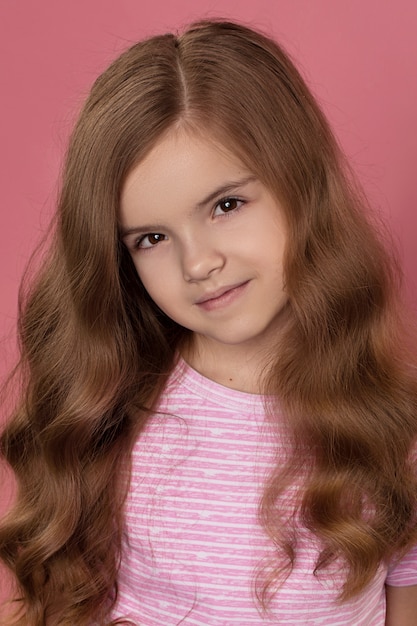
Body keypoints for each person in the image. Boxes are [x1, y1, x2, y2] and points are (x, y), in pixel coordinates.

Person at [1, 18, 417, 626]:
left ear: (299, 183)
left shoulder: (392, 415)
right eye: (151, 238)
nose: (198, 263)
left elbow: (405, 585)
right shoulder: (114, 407)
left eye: (226, 205)